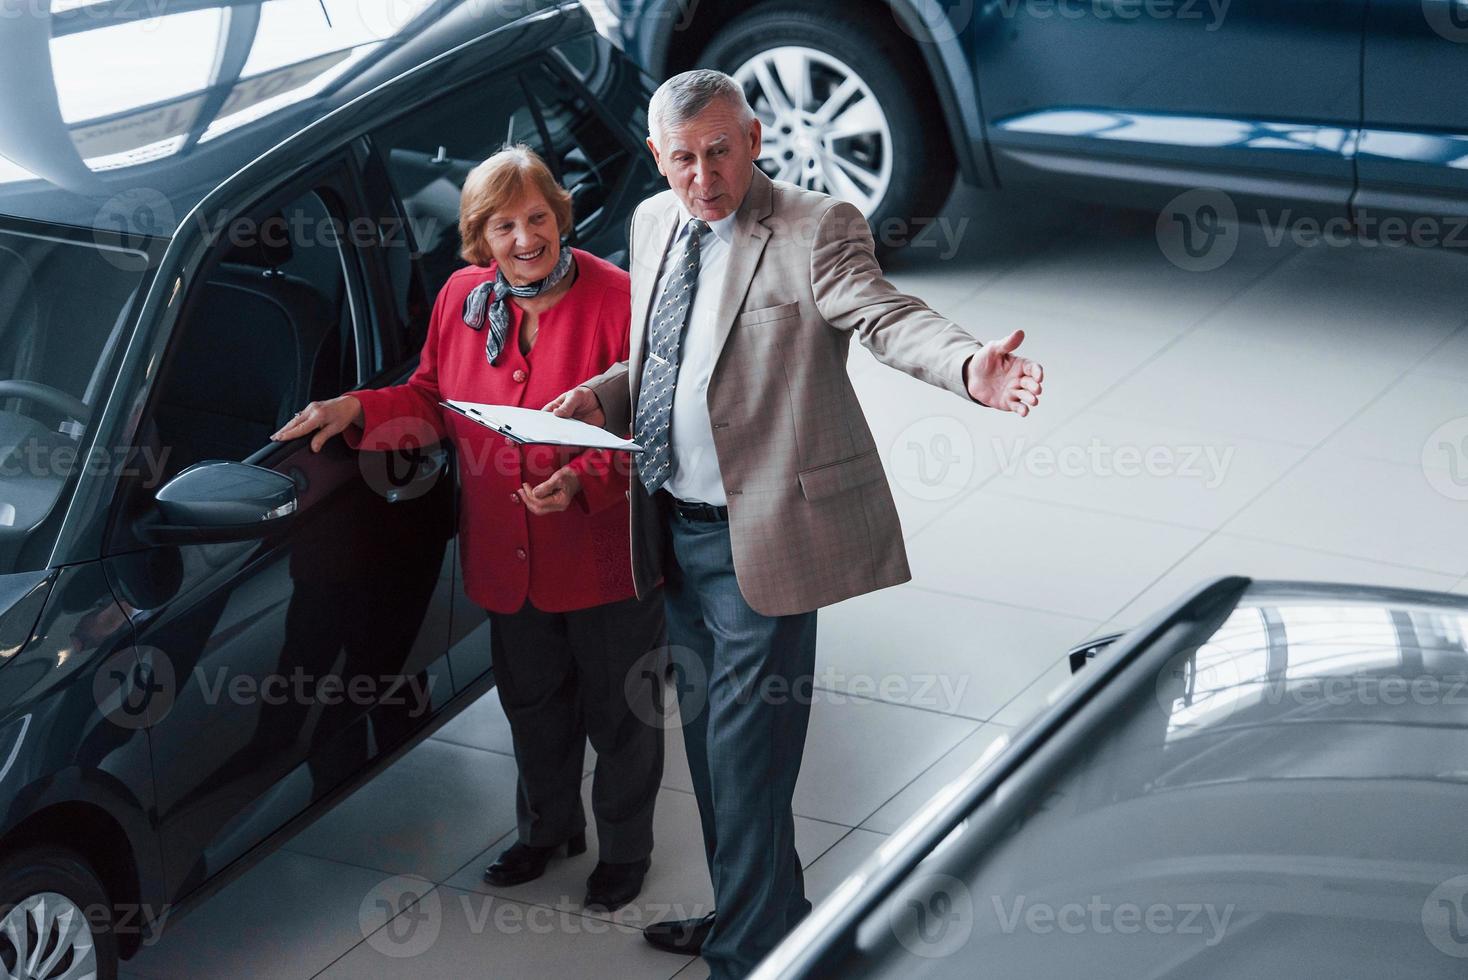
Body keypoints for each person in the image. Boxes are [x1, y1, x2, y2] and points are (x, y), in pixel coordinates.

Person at [544, 71, 1045, 977]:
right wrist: (605, 395)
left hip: (761, 536)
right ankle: (761, 914)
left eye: (721, 151)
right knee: (714, 747)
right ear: (657, 159)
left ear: (756, 136)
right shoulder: (655, 222)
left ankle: (748, 955)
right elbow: (662, 358)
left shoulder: (818, 227)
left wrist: (969, 365)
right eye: (683, 160)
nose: (704, 177)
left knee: (742, 758)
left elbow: (886, 315)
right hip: (669, 528)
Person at [270, 144, 665, 913]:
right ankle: (549, 830)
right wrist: (358, 408)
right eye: (504, 226)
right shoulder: (461, 297)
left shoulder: (620, 299)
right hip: (506, 558)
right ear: (478, 238)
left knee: (620, 717)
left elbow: (656, 428)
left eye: (538, 218)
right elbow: (430, 397)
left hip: (601, 556)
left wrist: (581, 482)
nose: (525, 239)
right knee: (532, 705)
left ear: (562, 216)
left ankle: (625, 853)